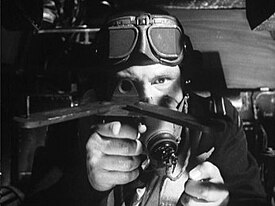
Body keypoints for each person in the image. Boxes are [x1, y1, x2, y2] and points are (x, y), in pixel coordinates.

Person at [23, 5, 268, 206]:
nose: (147, 101)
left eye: (161, 81)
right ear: (103, 91)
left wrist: (225, 202)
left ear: (185, 83)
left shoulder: (218, 125)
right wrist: (86, 186)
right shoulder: (75, 128)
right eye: (127, 85)